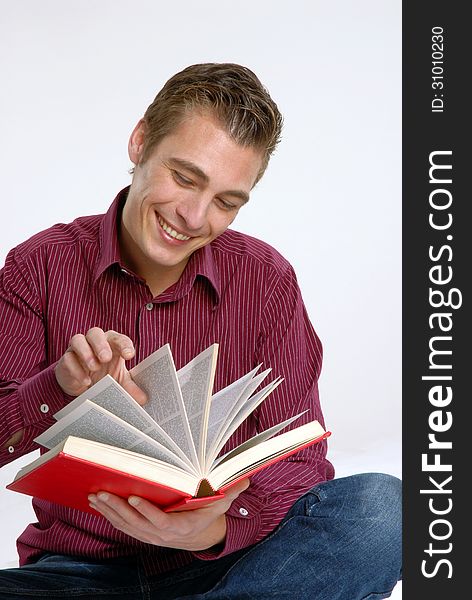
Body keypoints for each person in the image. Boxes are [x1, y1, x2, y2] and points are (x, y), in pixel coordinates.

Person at [0, 63, 401, 599]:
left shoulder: (265, 279)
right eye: (185, 178)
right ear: (140, 142)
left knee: (384, 510)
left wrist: (217, 526)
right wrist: (60, 386)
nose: (192, 216)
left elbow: (301, 462)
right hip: (79, 574)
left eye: (226, 202)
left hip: (231, 566)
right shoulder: (39, 266)